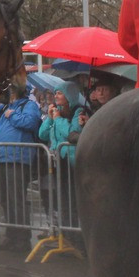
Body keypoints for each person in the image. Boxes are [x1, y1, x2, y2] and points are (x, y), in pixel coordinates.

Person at [0, 82, 42, 251]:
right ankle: (12, 235)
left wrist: (12, 115)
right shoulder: (5, 107)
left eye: (11, 90)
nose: (8, 92)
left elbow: (31, 123)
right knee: (5, 199)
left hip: (18, 158)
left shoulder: (29, 105)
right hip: (2, 157)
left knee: (16, 199)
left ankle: (21, 238)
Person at [38, 82, 83, 232]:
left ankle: (73, 232)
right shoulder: (57, 112)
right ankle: (61, 231)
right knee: (57, 198)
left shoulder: (78, 111)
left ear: (69, 96)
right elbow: (42, 134)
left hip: (71, 162)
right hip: (56, 163)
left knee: (71, 199)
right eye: (55, 93)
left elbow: (72, 133)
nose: (55, 96)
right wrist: (50, 119)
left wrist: (57, 119)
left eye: (59, 93)